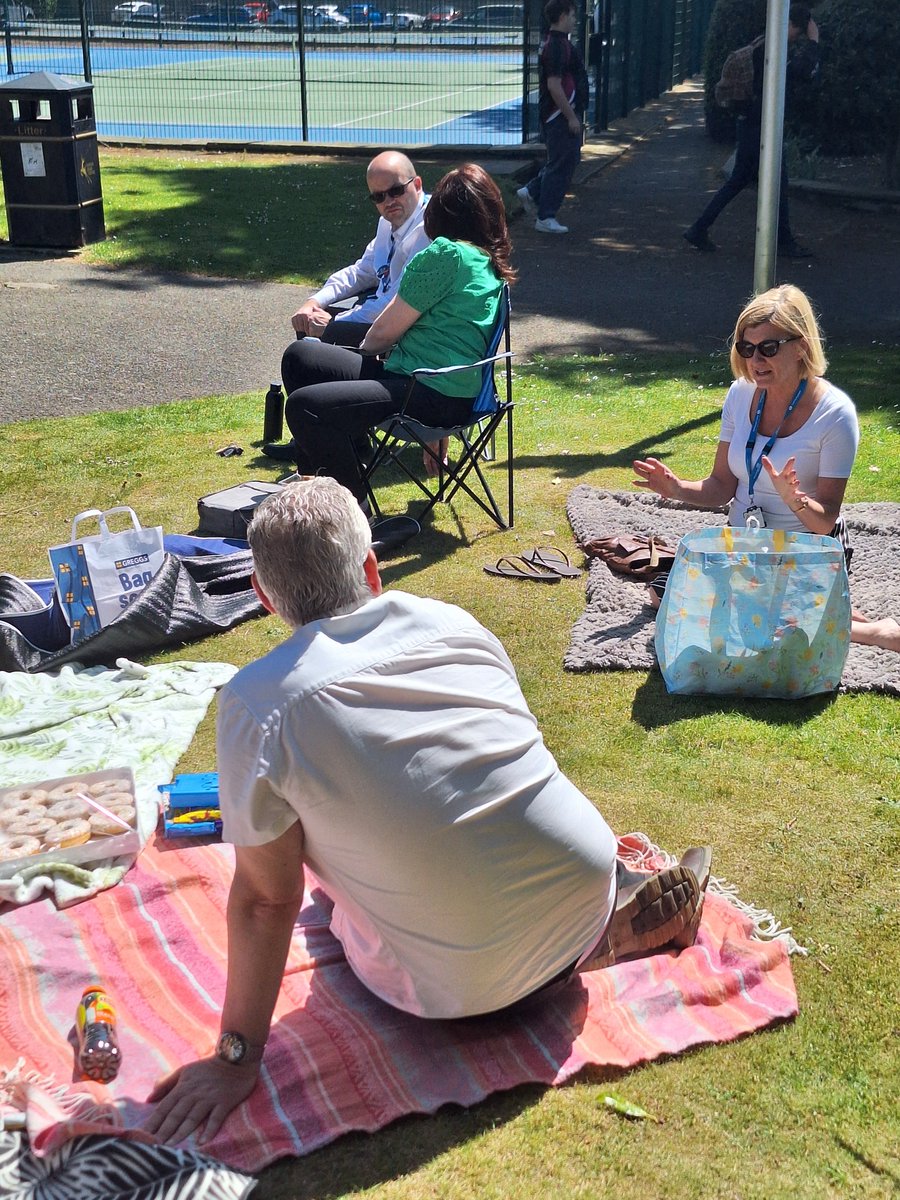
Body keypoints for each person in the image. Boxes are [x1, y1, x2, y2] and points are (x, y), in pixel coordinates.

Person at [143, 475, 711, 1145]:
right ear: (371, 569)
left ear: (265, 598)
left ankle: (582, 940)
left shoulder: (258, 703)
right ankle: (606, 928)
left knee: (322, 903)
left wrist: (234, 1060)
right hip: (585, 890)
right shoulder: (453, 622)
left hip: (457, 994)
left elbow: (267, 901)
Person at [633, 284, 900, 653]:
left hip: (805, 550)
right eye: (746, 348)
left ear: (801, 346)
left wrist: (795, 500)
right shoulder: (741, 393)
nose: (755, 360)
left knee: (754, 627)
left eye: (768, 348)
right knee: (664, 593)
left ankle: (869, 630)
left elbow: (825, 522)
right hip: (744, 545)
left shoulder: (835, 414)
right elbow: (720, 487)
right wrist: (676, 488)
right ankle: (830, 614)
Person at [280, 163, 515, 505]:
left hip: (427, 391)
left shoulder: (445, 255)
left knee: (306, 407)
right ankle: (323, 477)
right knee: (302, 357)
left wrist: (341, 331)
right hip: (446, 388)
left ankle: (353, 515)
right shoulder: (485, 261)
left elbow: (378, 338)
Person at [265, 151, 430, 460]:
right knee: (308, 325)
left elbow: (393, 305)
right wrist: (315, 301)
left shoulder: (428, 230)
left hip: (400, 331)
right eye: (379, 197)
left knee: (308, 348)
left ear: (417, 184)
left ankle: (327, 438)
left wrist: (334, 326)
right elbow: (361, 272)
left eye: (396, 190)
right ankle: (328, 437)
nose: (388, 201)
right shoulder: (389, 223)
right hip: (381, 319)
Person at [683, 4, 819, 258]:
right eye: (797, 32)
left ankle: (700, 228)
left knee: (741, 180)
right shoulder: (771, 49)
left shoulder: (763, 44)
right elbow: (800, 73)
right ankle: (783, 241)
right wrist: (814, 42)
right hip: (759, 127)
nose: (795, 37)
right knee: (775, 182)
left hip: (751, 124)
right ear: (790, 25)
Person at [517, 0, 588, 235]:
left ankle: (532, 190)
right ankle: (545, 216)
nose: (575, 20)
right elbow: (554, 85)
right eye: (572, 15)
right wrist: (570, 117)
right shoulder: (556, 46)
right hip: (558, 116)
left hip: (561, 115)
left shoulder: (561, 44)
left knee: (565, 161)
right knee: (561, 165)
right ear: (563, 16)